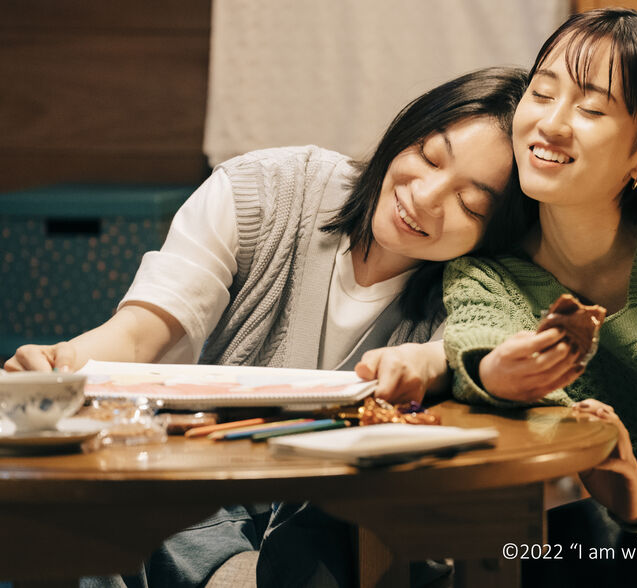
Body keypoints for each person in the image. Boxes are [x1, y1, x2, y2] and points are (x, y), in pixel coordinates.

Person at [5, 67, 532, 587]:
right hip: (207, 491)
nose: (426, 196)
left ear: (497, 232)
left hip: (339, 522)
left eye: (471, 203)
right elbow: (145, 329)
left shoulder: (484, 290)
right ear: (405, 131)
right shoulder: (267, 189)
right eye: (429, 156)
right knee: (117, 499)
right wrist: (66, 363)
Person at [373, 8, 637, 586]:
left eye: (591, 108)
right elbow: (483, 335)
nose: (552, 124)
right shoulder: (488, 265)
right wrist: (495, 372)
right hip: (585, 532)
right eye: (542, 94)